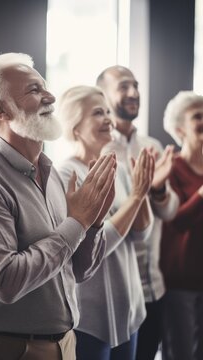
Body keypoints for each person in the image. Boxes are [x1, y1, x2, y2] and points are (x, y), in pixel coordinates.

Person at [0, 53, 117, 360]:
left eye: (45, 87)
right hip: (5, 349)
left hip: (64, 345)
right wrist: (78, 223)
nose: (51, 96)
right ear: (0, 109)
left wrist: (93, 222)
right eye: (35, 90)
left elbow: (77, 270)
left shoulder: (51, 173)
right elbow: (5, 282)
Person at [57, 84, 155, 360]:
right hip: (90, 318)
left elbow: (140, 238)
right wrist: (135, 199)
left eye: (108, 112)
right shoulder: (66, 174)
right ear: (76, 125)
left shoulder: (119, 168)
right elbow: (94, 248)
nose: (109, 119)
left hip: (130, 310)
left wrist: (142, 191)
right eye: (98, 113)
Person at [96, 65, 179, 360]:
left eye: (135, 86)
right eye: (122, 86)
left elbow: (168, 212)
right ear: (103, 95)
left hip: (154, 287)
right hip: (116, 292)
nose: (133, 93)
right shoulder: (97, 149)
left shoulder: (152, 146)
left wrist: (157, 190)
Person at [160, 91, 203, 360]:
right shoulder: (170, 168)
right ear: (179, 129)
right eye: (197, 116)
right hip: (181, 283)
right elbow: (176, 218)